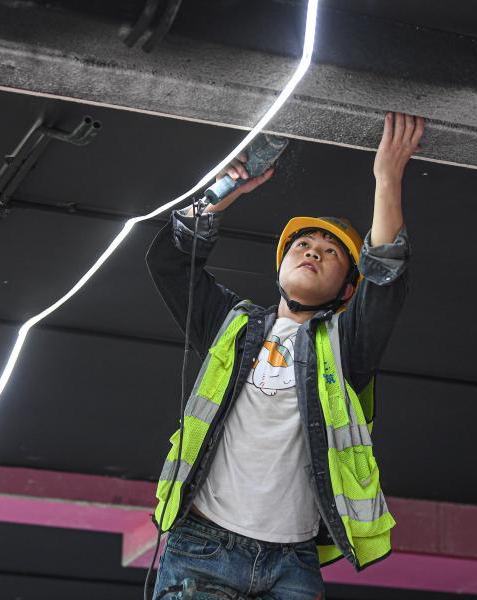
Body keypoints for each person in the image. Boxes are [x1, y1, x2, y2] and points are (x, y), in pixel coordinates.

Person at [146, 112, 424, 599]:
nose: (313, 251)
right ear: (280, 265)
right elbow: (170, 263)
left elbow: (385, 280)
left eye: (330, 252)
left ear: (346, 288)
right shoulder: (230, 324)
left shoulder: (345, 346)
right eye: (303, 243)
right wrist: (219, 194)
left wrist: (387, 176)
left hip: (291, 563)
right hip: (203, 547)